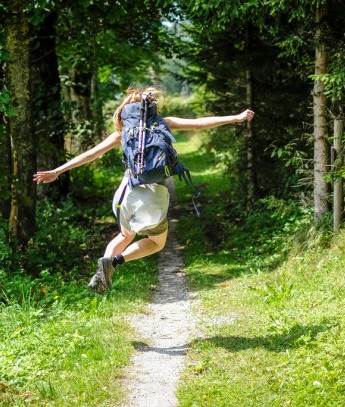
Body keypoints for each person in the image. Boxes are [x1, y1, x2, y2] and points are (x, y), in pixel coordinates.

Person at [33, 87, 254, 293]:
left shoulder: (122, 134)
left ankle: (103, 270)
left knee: (124, 235)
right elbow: (200, 124)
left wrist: (58, 171)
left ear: (125, 111)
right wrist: (235, 118)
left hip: (124, 195)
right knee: (157, 242)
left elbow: (90, 154)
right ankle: (115, 262)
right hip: (151, 197)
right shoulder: (163, 123)